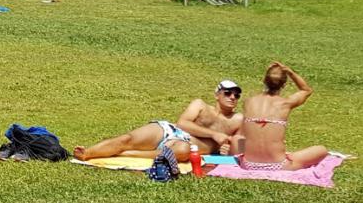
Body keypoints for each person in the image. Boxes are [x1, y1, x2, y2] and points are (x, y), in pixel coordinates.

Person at [74, 82, 245, 161]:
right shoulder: (200, 105)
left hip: (185, 147)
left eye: (236, 95)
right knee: (127, 139)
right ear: (217, 94)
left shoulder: (237, 120)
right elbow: (183, 123)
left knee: (183, 151)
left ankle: (127, 154)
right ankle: (87, 153)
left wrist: (229, 149)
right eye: (228, 93)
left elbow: (242, 147)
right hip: (169, 130)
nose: (232, 97)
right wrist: (215, 134)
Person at [237, 62, 329, 171]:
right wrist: (290, 72)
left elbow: (241, 135)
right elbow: (306, 90)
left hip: (248, 164)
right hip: (278, 166)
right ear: (284, 84)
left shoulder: (249, 102)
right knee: (322, 150)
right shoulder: (285, 104)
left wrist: (241, 156)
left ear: (264, 81)